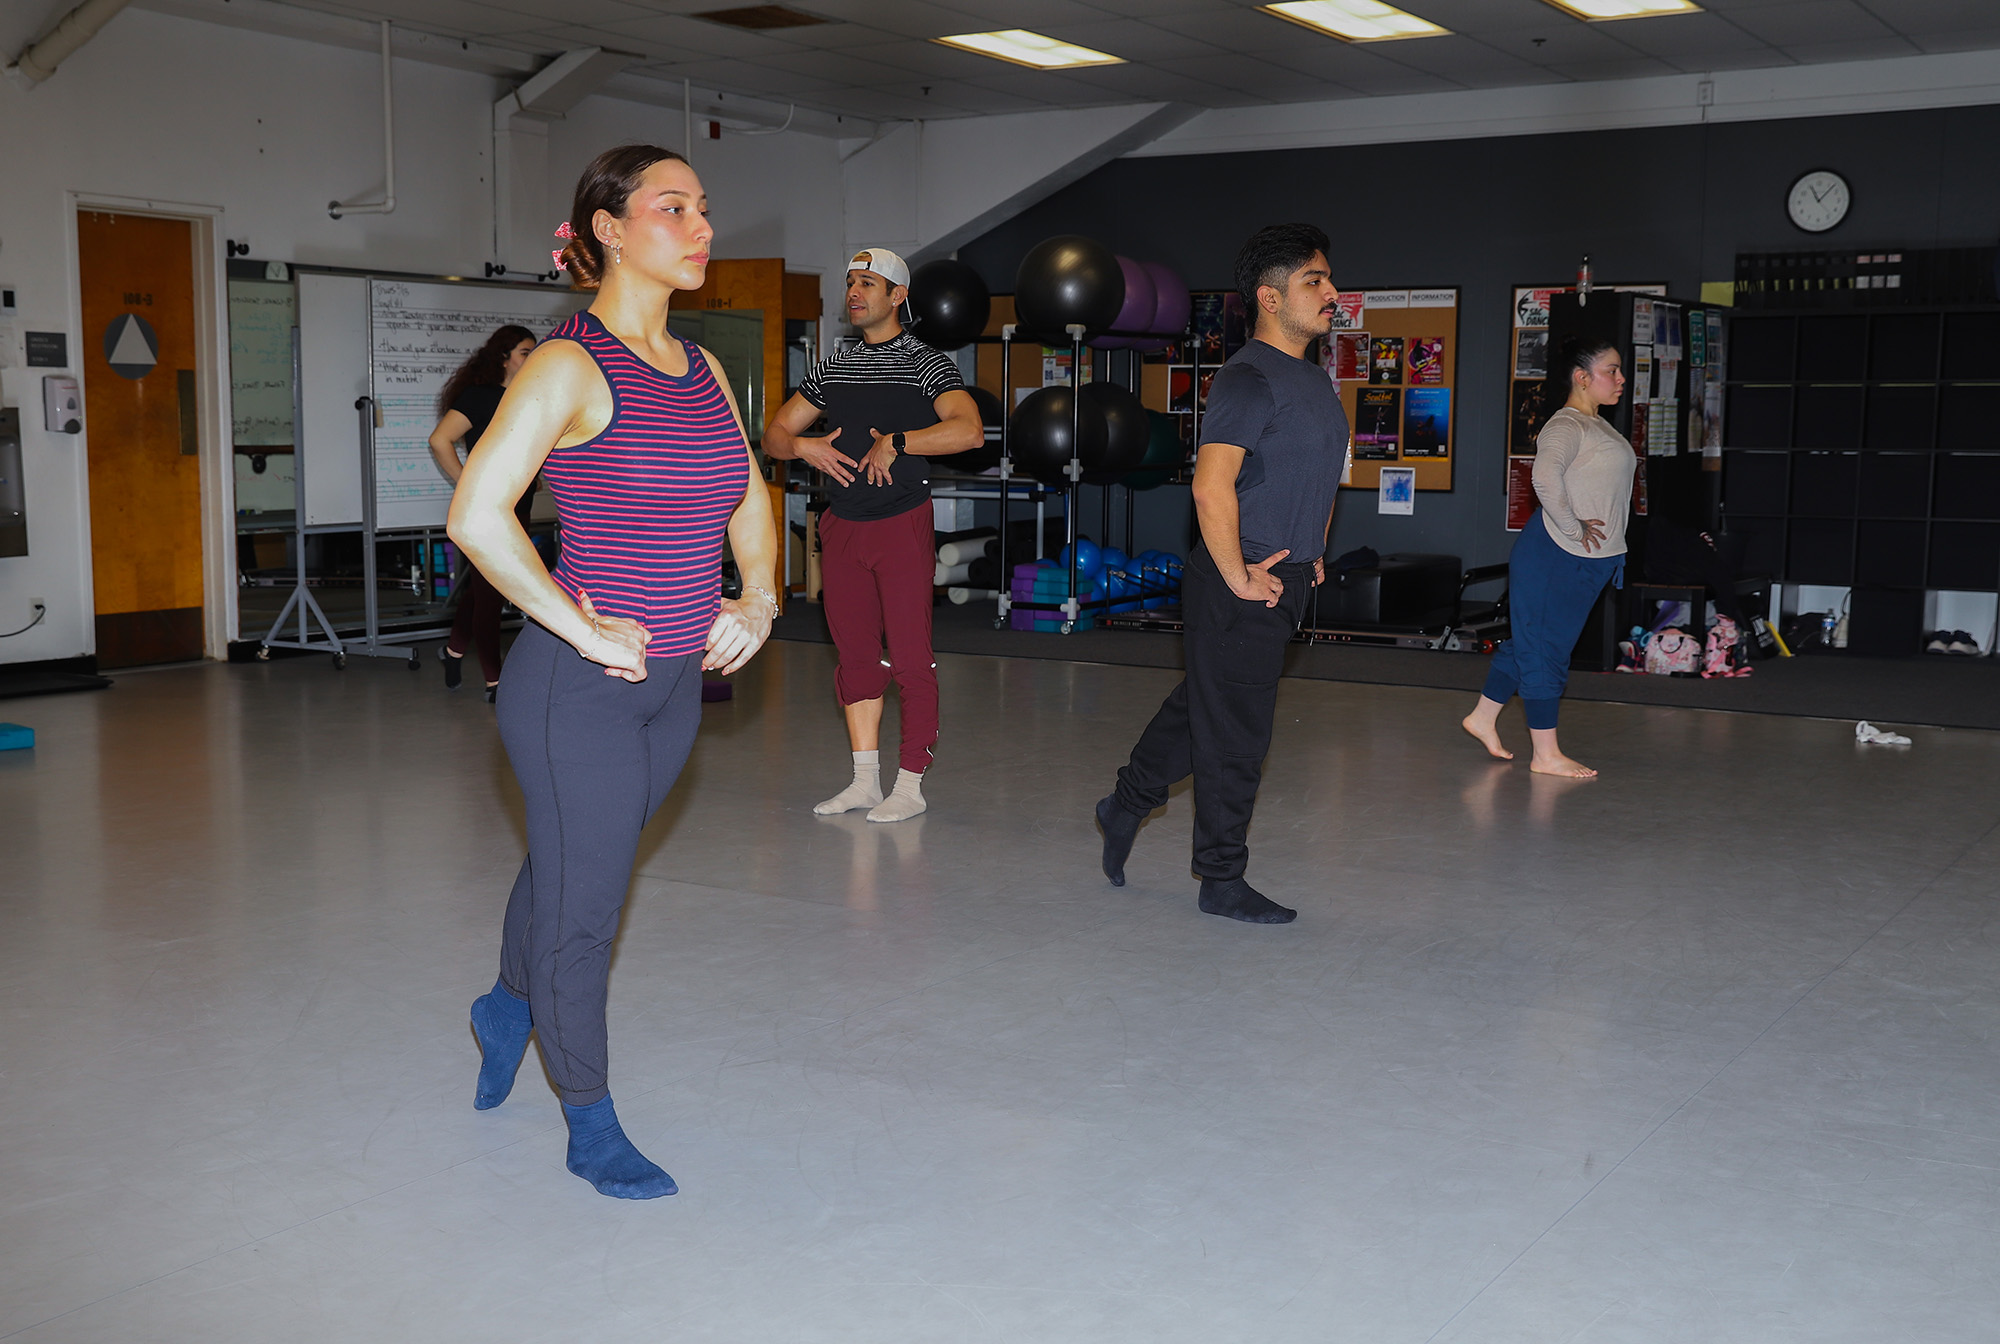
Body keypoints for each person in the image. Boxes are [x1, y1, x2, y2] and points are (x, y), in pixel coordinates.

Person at [446, 144, 778, 1200]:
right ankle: (588, 1122)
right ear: (607, 230)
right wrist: (575, 627)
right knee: (589, 910)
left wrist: (761, 596)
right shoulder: (566, 366)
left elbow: (747, 496)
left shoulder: (704, 369)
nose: (699, 227)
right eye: (671, 207)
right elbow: (475, 513)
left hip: (676, 684)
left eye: (703, 208)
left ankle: (503, 1004)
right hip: (575, 691)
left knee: (567, 864)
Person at [1094, 223, 1347, 925]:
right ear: (1270, 298)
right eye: (1313, 282)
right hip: (1244, 582)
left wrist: (1313, 546)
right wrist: (1238, 575)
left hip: (1284, 576)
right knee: (1238, 734)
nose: (1331, 292)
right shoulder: (1248, 378)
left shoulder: (1311, 379)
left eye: (1327, 279)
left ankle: (1125, 803)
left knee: (1201, 708)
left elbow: (1315, 475)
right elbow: (1212, 487)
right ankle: (1220, 878)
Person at [761, 248, 983, 823]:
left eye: (868, 283)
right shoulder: (833, 364)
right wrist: (802, 445)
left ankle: (910, 785)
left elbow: (969, 431)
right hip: (843, 527)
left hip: (900, 524)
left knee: (910, 659)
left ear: (898, 297)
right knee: (856, 657)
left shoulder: (924, 362)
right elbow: (775, 434)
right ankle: (864, 781)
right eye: (850, 283)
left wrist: (901, 441)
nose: (854, 292)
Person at [1461, 336, 1633, 779]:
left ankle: (1482, 717)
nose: (1620, 379)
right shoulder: (1567, 425)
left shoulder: (1599, 425)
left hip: (1589, 559)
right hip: (1556, 554)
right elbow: (1543, 477)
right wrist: (1575, 527)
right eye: (1611, 370)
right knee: (1546, 652)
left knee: (1532, 644)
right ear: (1582, 377)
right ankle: (1545, 754)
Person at [428, 325, 537, 700]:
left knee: (484, 586)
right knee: (491, 592)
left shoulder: (529, 397)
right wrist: (466, 482)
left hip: (519, 505)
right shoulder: (480, 397)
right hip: (486, 508)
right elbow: (440, 439)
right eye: (525, 352)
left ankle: (453, 650)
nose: (531, 358)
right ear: (504, 357)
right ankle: (495, 681)